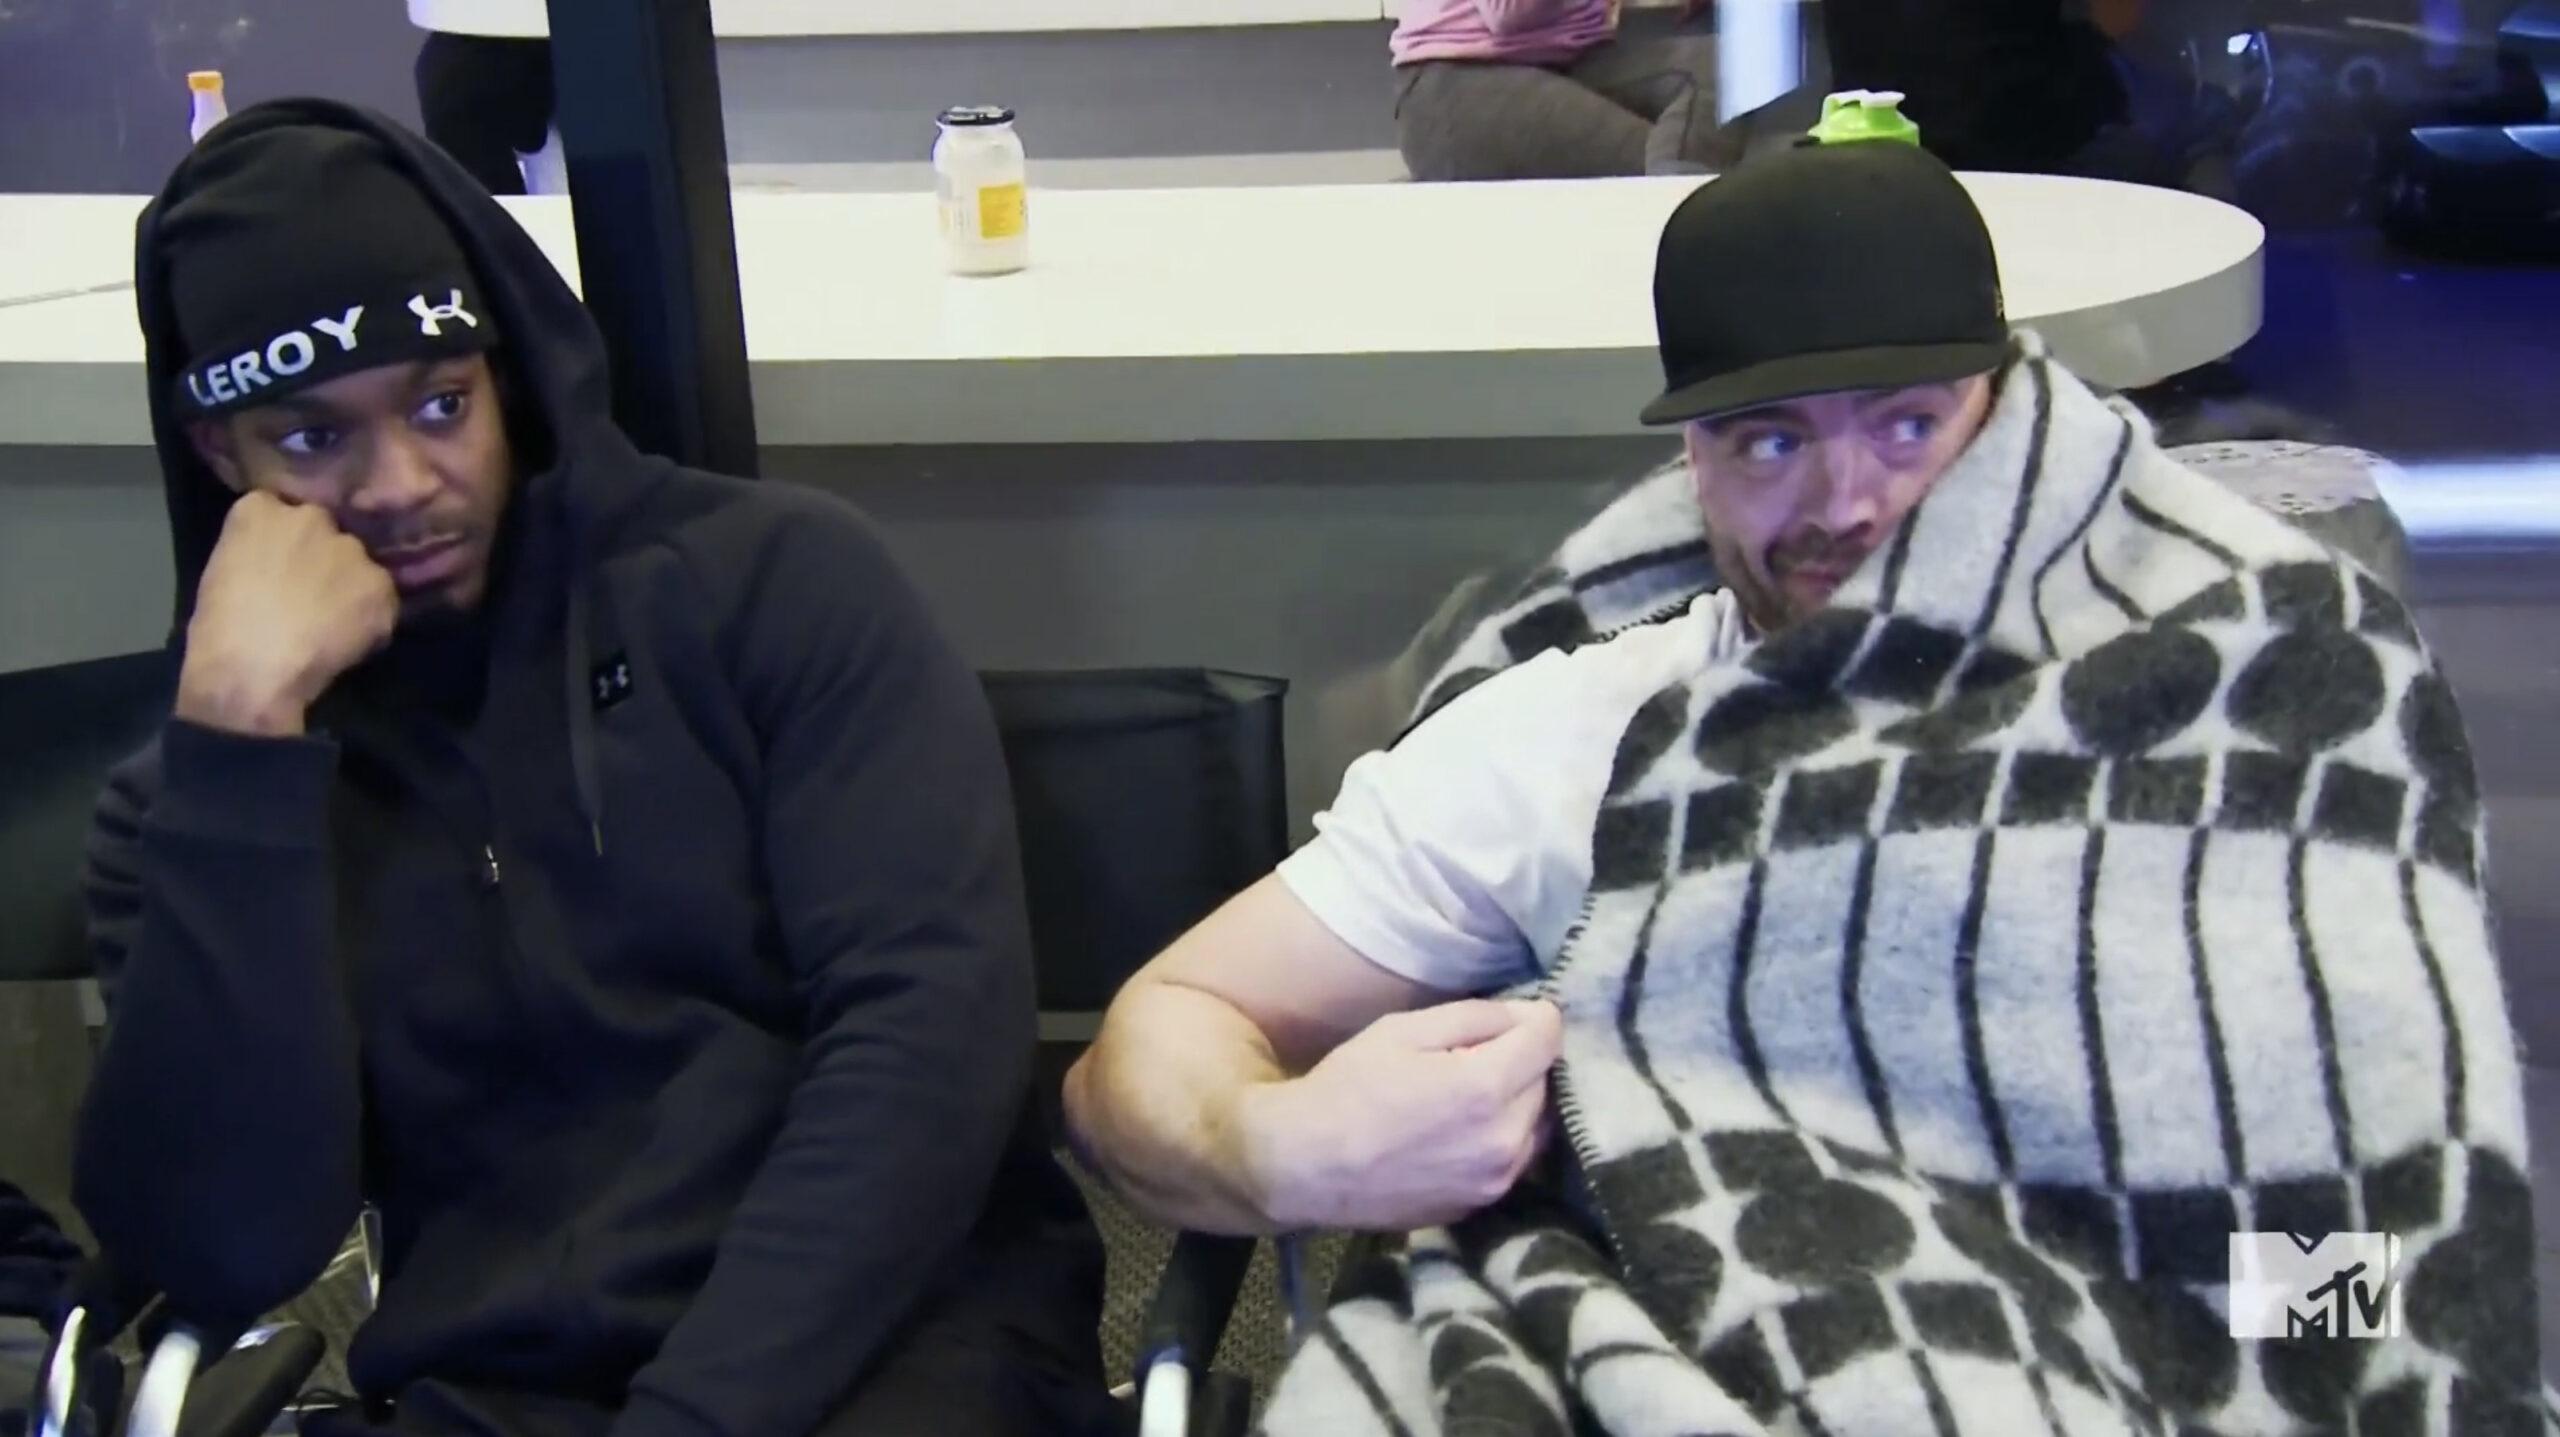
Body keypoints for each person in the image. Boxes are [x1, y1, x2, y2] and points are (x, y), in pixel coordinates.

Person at [1069, 139, 2538, 1433]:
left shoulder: (2228, 712)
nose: (1847, 505)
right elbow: (1141, 1049)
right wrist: (1285, 1150)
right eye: (1771, 441)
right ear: (1694, 464)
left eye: (1905, 424)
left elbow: (2361, 1214)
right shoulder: (1582, 739)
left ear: (2009, 422)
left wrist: (2247, 1358)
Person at [73, 100, 1118, 1437]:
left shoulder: (773, 587)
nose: (401, 484)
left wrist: (691, 1419)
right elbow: (224, 1250)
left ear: (504, 377)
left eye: (441, 405)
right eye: (315, 439)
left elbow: (923, 1048)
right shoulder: (186, 807)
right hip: (494, 1388)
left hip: (897, 1340)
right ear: (220, 453)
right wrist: (237, 753)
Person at [1391, 0, 1774, 180]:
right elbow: (1509, 12)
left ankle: (1685, 253)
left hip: (1567, 61)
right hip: (1458, 84)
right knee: (1662, 169)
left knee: (1730, 65)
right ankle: (1679, 268)